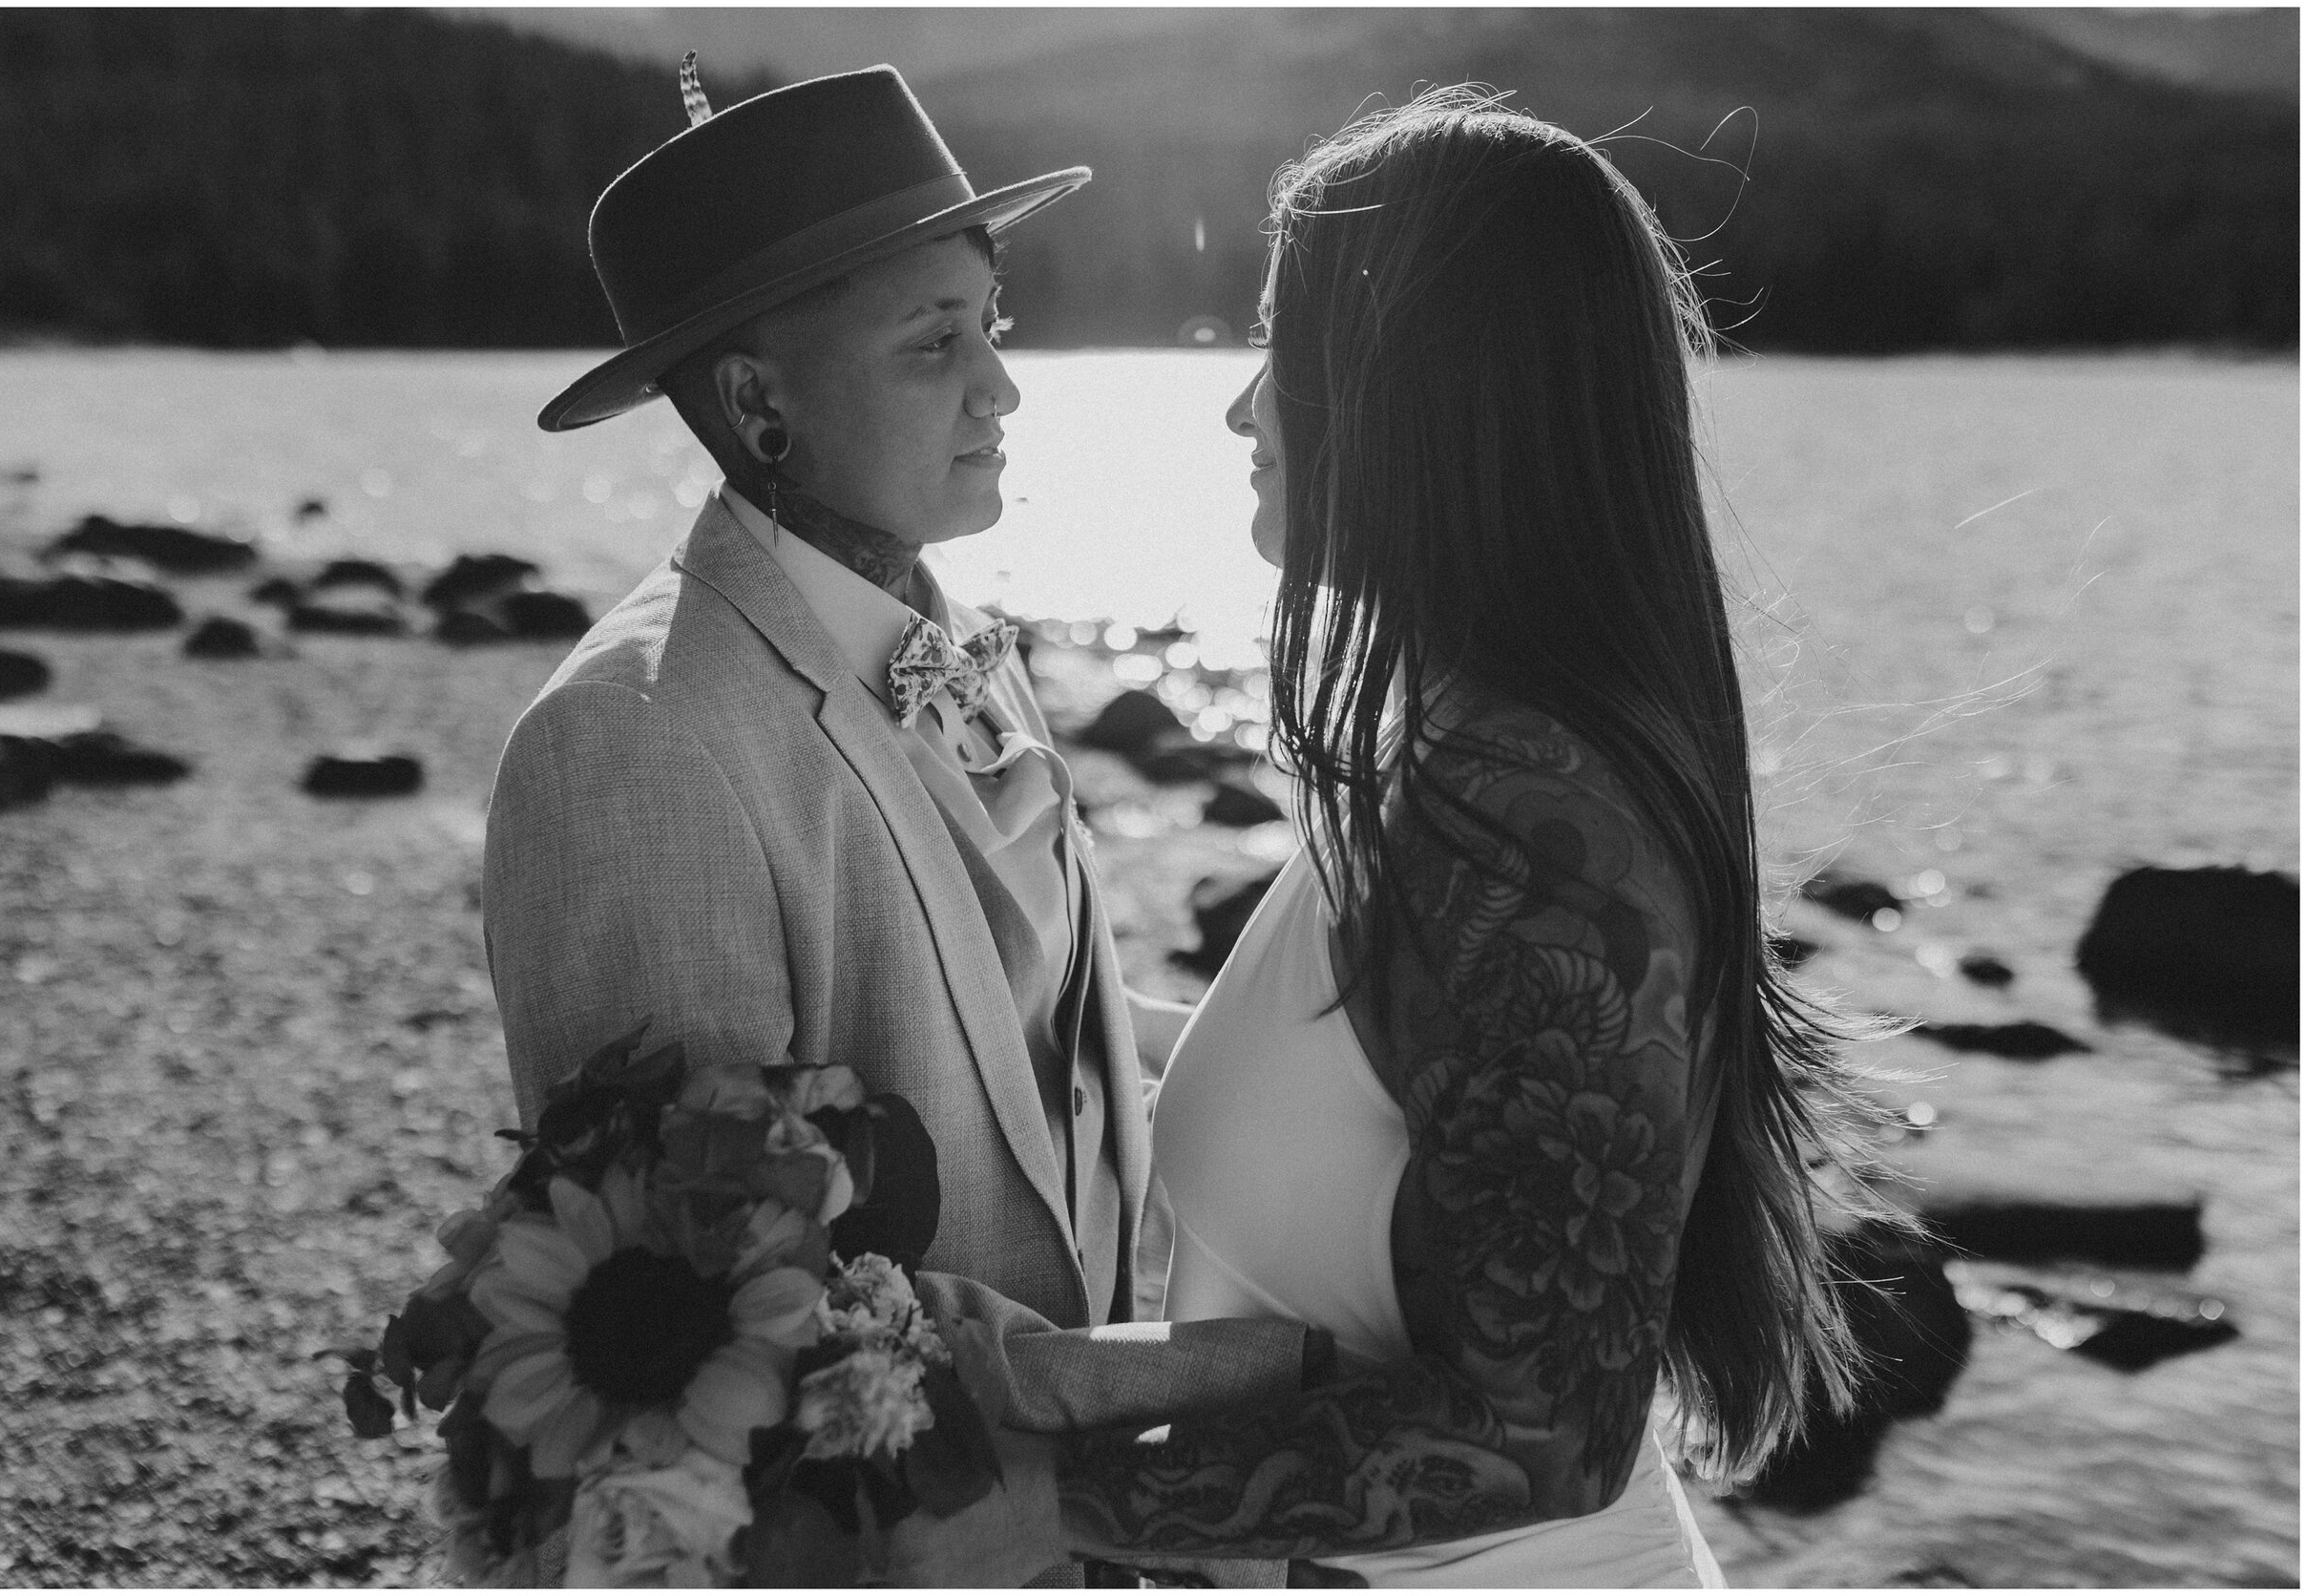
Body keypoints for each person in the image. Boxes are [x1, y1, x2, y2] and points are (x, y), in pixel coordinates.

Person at [981, 87, 1903, 1586]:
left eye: (1283, 350)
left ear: (1414, 389)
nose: (1239, 408)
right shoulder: (1465, 764)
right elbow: (1359, 1111)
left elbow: (1544, 1438)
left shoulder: (1525, 824)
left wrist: (1034, 1509)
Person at [481, 63, 1326, 1586]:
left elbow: (1038, 1026)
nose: (1001, 385)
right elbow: (700, 1308)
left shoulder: (943, 628)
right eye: (936, 342)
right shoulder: (634, 743)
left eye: (990, 324)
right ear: (758, 404)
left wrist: (1317, 1065)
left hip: (1071, 1524)